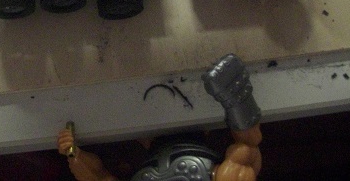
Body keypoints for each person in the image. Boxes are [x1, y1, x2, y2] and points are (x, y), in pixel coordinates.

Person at [57, 53, 263, 181]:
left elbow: (99, 178)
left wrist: (74, 153)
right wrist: (237, 99)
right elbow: (248, 149)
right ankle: (237, 95)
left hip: (152, 144)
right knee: (241, 161)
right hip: (198, 150)